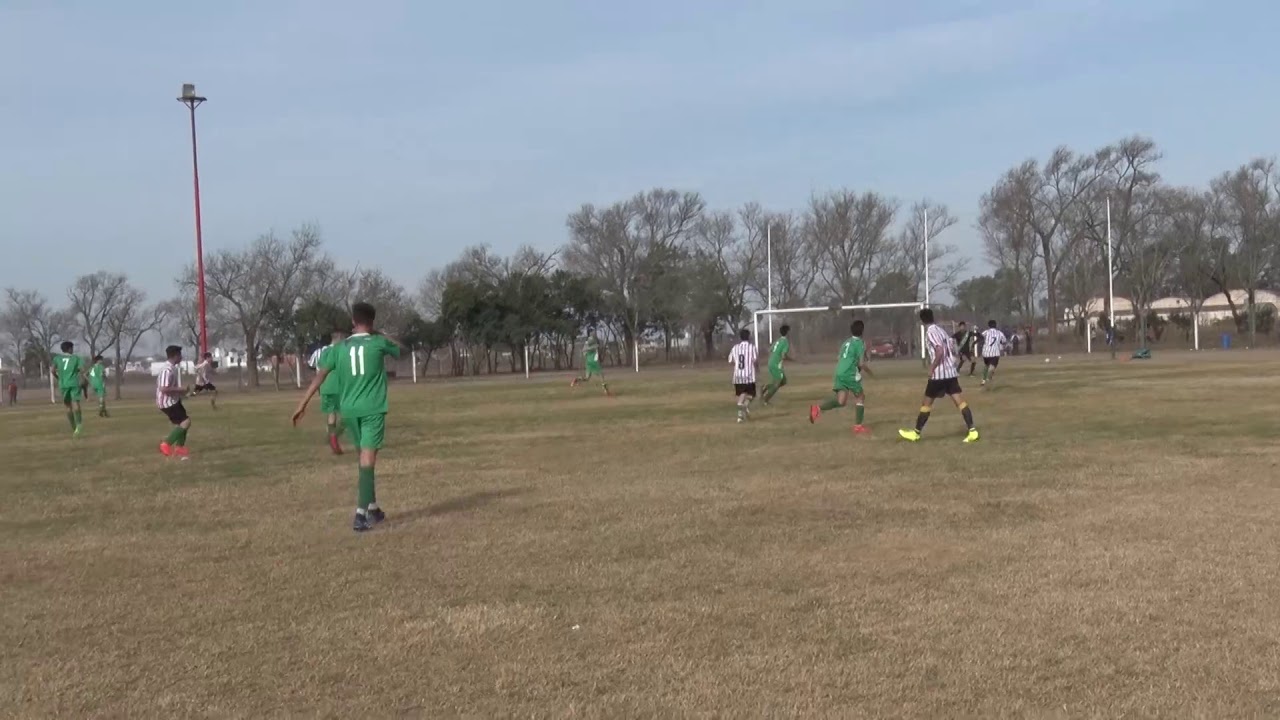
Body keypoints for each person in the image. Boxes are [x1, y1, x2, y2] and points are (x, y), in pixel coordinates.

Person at [293, 302, 402, 532]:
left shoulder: (339, 348)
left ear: (353, 322)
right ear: (371, 322)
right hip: (372, 408)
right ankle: (360, 515)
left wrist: (302, 404)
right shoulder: (378, 342)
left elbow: (320, 376)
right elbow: (401, 349)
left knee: (365, 458)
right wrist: (379, 332)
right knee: (368, 459)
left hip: (349, 410)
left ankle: (372, 507)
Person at [898, 308, 979, 443]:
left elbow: (939, 350)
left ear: (922, 320)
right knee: (960, 401)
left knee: (926, 403)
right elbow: (952, 347)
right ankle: (972, 431)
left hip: (939, 374)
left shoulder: (930, 332)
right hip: (950, 372)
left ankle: (916, 433)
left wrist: (932, 367)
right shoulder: (941, 330)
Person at [809, 320, 874, 435]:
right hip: (849, 373)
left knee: (841, 401)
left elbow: (839, 357)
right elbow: (861, 363)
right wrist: (870, 372)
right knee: (860, 397)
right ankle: (858, 427)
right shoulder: (860, 343)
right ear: (862, 331)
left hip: (839, 371)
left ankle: (817, 409)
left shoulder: (846, 342)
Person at [307, 329, 349, 455]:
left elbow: (314, 365)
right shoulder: (342, 350)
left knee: (331, 414)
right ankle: (334, 437)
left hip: (325, 387)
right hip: (340, 386)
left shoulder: (322, 352)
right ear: (339, 338)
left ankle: (332, 438)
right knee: (349, 414)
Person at [157, 345, 193, 459]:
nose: (181, 357)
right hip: (167, 402)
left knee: (183, 423)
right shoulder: (167, 370)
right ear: (175, 356)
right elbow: (163, 388)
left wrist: (183, 394)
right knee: (185, 422)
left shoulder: (172, 368)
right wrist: (181, 389)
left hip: (173, 400)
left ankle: (179, 448)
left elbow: (171, 387)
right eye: (180, 355)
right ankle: (166, 444)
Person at [51, 340, 85, 437]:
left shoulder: (57, 358)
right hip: (74, 383)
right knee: (76, 403)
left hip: (63, 385)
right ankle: (79, 425)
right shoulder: (76, 358)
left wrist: (59, 378)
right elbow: (82, 370)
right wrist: (80, 377)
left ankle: (73, 427)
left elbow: (52, 370)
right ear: (70, 349)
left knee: (67, 406)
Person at [728, 328, 758, 423]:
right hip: (748, 375)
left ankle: (740, 415)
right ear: (748, 337)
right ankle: (743, 406)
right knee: (751, 395)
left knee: (742, 394)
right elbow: (755, 360)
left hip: (738, 376)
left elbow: (730, 360)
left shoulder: (735, 348)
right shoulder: (752, 347)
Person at [571, 328, 610, 396]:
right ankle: (605, 390)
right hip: (593, 360)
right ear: (590, 333)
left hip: (589, 360)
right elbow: (585, 349)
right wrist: (593, 348)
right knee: (601, 374)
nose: (595, 332)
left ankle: (577, 380)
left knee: (587, 378)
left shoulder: (591, 340)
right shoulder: (591, 339)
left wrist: (588, 351)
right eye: (593, 331)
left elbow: (584, 350)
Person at [761, 324, 792, 405]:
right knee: (778, 382)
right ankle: (765, 400)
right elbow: (783, 355)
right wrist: (790, 359)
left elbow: (769, 350)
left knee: (783, 381)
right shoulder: (785, 342)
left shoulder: (778, 341)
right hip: (776, 364)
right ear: (787, 332)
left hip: (771, 362)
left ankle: (765, 387)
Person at [980, 320, 1008, 388]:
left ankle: (983, 380)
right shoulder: (999, 333)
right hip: (995, 353)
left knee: (986, 365)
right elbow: (1004, 341)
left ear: (988, 326)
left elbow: (980, 338)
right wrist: (1001, 344)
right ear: (996, 325)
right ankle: (989, 377)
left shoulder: (986, 332)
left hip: (985, 352)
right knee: (992, 366)